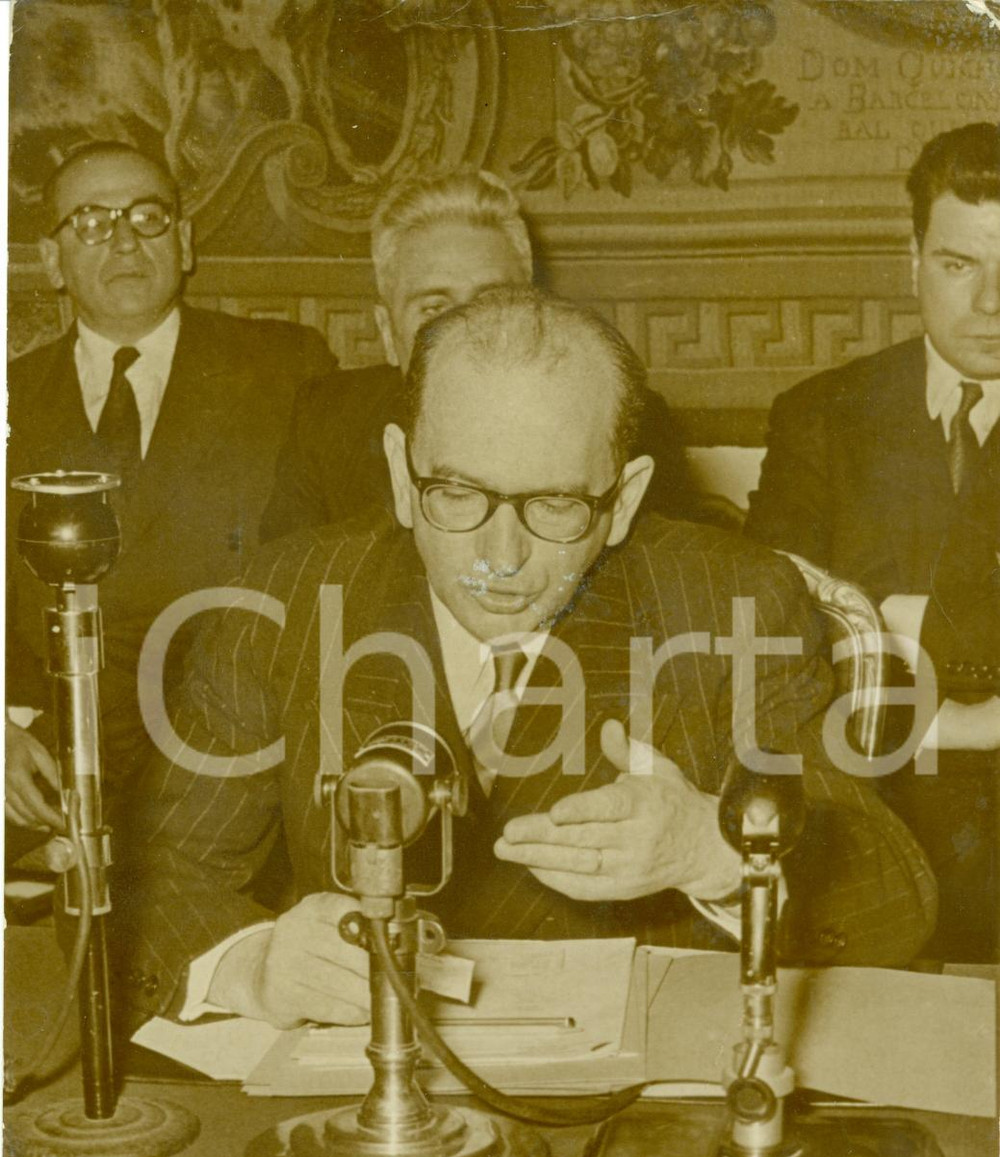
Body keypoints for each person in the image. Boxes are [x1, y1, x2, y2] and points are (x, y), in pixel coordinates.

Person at [123, 287, 933, 1031]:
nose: (500, 558)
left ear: (623, 500)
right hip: (366, 1089)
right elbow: (149, 871)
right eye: (457, 495)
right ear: (402, 476)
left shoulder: (728, 604)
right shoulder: (287, 599)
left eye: (555, 504)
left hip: (641, 1101)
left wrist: (715, 853)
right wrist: (250, 967)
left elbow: (890, 902)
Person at [5, 141, 335, 832]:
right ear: (51, 261)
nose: (125, 240)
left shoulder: (285, 367)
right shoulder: (12, 397)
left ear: (183, 242)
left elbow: (334, 575)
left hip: (238, 767)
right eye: (92, 222)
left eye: (148, 216)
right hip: (44, 767)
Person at [744, 122, 999, 961]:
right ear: (913, 259)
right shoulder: (821, 417)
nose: (990, 303)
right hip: (863, 829)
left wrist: (883, 621)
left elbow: (840, 629)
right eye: (959, 265)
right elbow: (773, 627)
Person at [258, 169, 696, 544]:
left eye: (490, 301)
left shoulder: (624, 418)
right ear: (388, 332)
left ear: (536, 310)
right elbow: (289, 589)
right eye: (433, 308)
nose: (464, 333)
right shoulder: (327, 420)